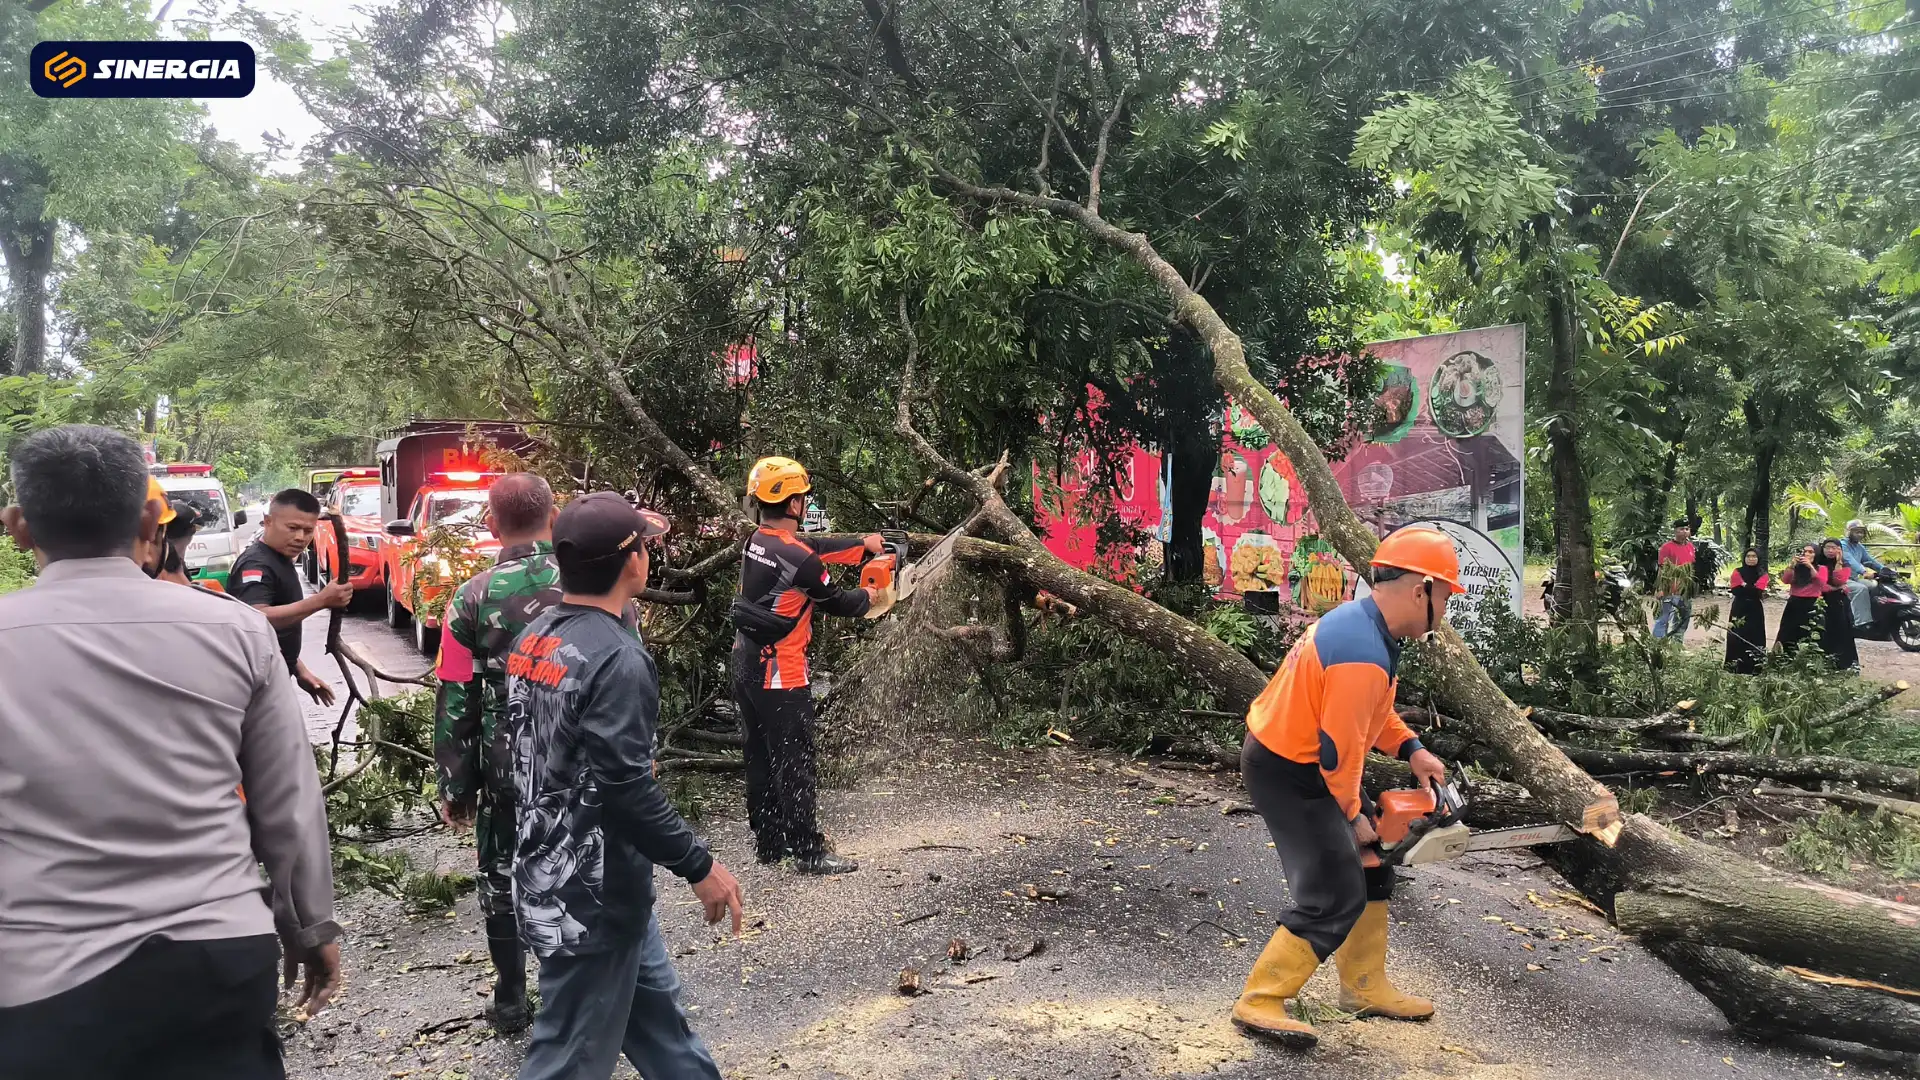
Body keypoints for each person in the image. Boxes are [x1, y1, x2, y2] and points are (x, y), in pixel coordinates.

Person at [0, 425, 341, 1080]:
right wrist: (310, 926)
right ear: (150, 519)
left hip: (42, 978)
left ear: (18, 526)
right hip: (215, 957)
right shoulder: (235, 630)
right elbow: (288, 807)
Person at [509, 492, 744, 1080]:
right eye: (643, 543)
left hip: (561, 873)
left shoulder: (535, 637)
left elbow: (534, 748)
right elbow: (626, 789)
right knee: (567, 1059)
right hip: (591, 895)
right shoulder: (617, 657)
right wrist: (699, 865)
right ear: (633, 560)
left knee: (664, 1034)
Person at [1232, 527, 1459, 1049]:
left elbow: (1370, 717)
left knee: (1372, 868)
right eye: (1445, 595)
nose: (1445, 609)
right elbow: (1340, 755)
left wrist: (1412, 749)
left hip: (1302, 762)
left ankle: (1364, 987)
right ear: (1421, 588)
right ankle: (1261, 997)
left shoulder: (1369, 630)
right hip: (1290, 771)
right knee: (1335, 887)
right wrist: (1353, 816)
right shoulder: (1362, 649)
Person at [433, 474, 640, 1033]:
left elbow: (456, 692)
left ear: (492, 525)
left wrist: (456, 781)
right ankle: (583, 984)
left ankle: (509, 993)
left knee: (500, 869)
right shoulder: (594, 578)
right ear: (553, 518)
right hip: (581, 755)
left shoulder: (472, 596)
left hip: (507, 757)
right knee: (581, 859)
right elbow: (625, 666)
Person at [730, 456, 886, 874]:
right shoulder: (799, 559)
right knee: (794, 759)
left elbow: (811, 550)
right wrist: (870, 597)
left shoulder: (757, 541)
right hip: (779, 671)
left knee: (760, 756)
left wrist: (861, 546)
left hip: (744, 663)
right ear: (796, 505)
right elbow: (836, 600)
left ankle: (769, 842)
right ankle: (809, 851)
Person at [230, 488, 355, 705]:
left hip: (274, 678)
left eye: (308, 530)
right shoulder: (256, 564)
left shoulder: (279, 558)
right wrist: (322, 600)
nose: (300, 537)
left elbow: (272, 634)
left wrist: (299, 669)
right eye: (292, 528)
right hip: (254, 686)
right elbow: (256, 617)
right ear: (267, 521)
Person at [1816, 538, 1859, 671]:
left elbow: (1839, 580)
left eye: (1834, 548)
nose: (1830, 550)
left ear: (1839, 549)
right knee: (1822, 632)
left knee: (1842, 632)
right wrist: (1833, 588)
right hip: (1821, 601)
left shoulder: (1844, 564)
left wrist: (1839, 561)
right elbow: (1819, 584)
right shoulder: (1817, 563)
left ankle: (1843, 664)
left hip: (1838, 603)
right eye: (1827, 547)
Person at [1724, 548, 1770, 675]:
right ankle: (1734, 666)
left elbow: (1758, 592)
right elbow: (1735, 590)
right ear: (1744, 558)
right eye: (1748, 556)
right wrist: (1750, 587)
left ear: (1758, 558)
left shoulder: (1763, 573)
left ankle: (1755, 666)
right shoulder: (1737, 571)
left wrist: (1744, 585)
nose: (1751, 559)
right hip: (1739, 606)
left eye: (1754, 556)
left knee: (1755, 635)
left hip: (1755, 608)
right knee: (1736, 634)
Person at [1776, 543, 1825, 656]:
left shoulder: (1821, 568)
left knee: (1810, 633)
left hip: (1812, 604)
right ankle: (1784, 658)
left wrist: (1810, 566)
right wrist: (1791, 566)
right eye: (1805, 551)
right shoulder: (1796, 569)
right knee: (1788, 633)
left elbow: (1821, 583)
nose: (1807, 554)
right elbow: (1786, 580)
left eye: (1810, 552)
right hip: (1795, 603)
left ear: (1816, 554)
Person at [1841, 519, 1890, 628]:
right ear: (1849, 532)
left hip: (1853, 578)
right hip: (1842, 580)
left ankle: (1875, 616)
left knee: (1875, 585)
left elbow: (1871, 561)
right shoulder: (1843, 545)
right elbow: (1850, 561)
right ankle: (1862, 623)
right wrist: (1863, 571)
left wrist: (1885, 569)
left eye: (1861, 532)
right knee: (1860, 589)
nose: (1859, 534)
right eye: (1856, 531)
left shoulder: (1859, 547)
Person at [1653, 519, 1695, 640]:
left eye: (1687, 529)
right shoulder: (1666, 548)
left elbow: (1690, 568)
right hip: (1669, 589)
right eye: (1681, 529)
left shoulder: (1691, 547)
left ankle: (1676, 645)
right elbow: (1662, 569)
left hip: (1685, 590)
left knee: (1682, 620)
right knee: (1663, 618)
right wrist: (1660, 588)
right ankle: (1658, 645)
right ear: (1675, 531)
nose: (1684, 532)